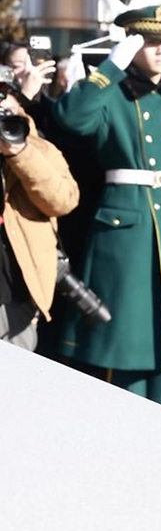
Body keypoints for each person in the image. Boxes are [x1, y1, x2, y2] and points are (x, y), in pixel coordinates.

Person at [53, 5, 161, 409]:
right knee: (123, 350)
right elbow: (70, 119)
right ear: (130, 43)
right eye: (150, 41)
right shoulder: (112, 94)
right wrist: (109, 68)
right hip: (125, 233)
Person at [0, 84, 79, 351]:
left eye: (7, 111)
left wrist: (19, 153)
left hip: (14, 294)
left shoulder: (39, 149)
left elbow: (63, 200)